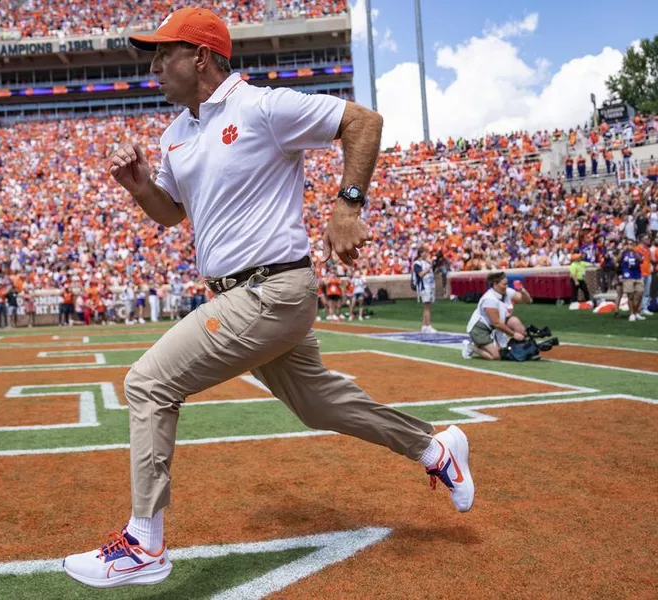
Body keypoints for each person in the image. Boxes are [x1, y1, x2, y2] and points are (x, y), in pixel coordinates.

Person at [63, 7, 475, 590]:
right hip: (246, 297)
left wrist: (348, 204)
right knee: (317, 405)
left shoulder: (263, 106)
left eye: (162, 54)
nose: (153, 66)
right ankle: (434, 447)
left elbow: (364, 121)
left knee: (148, 382)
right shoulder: (176, 134)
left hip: (270, 291)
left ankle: (143, 544)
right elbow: (170, 215)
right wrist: (139, 189)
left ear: (199, 57)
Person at [462, 272, 533, 360]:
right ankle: (472, 346)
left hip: (495, 326)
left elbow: (527, 301)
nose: (506, 286)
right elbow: (496, 323)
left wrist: (522, 290)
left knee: (514, 321)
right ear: (495, 284)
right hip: (480, 329)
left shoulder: (507, 292)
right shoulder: (489, 299)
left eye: (507, 283)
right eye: (504, 284)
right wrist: (514, 334)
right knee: (496, 356)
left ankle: (524, 346)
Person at [413, 246, 437, 333]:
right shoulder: (417, 263)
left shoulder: (426, 262)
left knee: (427, 306)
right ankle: (428, 325)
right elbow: (420, 274)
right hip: (423, 286)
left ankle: (424, 325)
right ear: (421, 253)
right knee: (427, 306)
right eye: (425, 252)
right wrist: (429, 267)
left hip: (430, 286)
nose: (426, 254)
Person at [621, 239, 646, 321]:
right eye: (628, 244)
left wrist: (634, 252)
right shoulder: (623, 253)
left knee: (639, 294)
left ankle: (636, 312)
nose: (630, 245)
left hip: (638, 276)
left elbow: (641, 260)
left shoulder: (638, 253)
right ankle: (632, 314)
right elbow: (616, 260)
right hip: (628, 276)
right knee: (630, 296)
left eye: (631, 244)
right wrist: (622, 251)